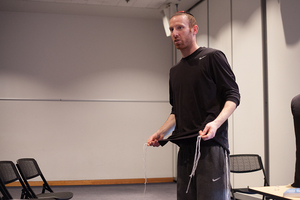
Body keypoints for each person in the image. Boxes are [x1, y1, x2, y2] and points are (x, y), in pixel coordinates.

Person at [147, 11, 240, 200]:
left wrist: (216, 123)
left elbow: (233, 96)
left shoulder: (212, 57)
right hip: (185, 148)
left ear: (194, 29)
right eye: (172, 29)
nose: (174, 33)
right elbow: (177, 112)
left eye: (180, 28)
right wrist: (161, 132)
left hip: (211, 146)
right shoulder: (175, 72)